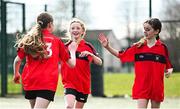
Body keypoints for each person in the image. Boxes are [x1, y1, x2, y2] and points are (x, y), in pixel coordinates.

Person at [98, 18, 173, 109]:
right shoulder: (138, 47)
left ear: (157, 31)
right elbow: (121, 55)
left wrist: (169, 71)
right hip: (142, 86)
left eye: (148, 29)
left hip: (157, 87)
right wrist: (108, 47)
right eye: (144, 29)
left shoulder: (162, 48)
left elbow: (169, 66)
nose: (145, 32)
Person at [13, 12, 77, 109]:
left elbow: (17, 60)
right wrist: (72, 51)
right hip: (47, 82)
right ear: (50, 24)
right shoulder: (56, 41)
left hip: (31, 81)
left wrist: (16, 73)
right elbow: (72, 64)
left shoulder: (30, 40)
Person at [60, 18, 103, 109]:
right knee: (69, 106)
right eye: (73, 28)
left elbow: (100, 62)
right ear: (69, 31)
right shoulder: (64, 47)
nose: (75, 30)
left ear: (83, 31)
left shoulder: (88, 46)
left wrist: (91, 54)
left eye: (78, 28)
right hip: (69, 83)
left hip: (83, 84)